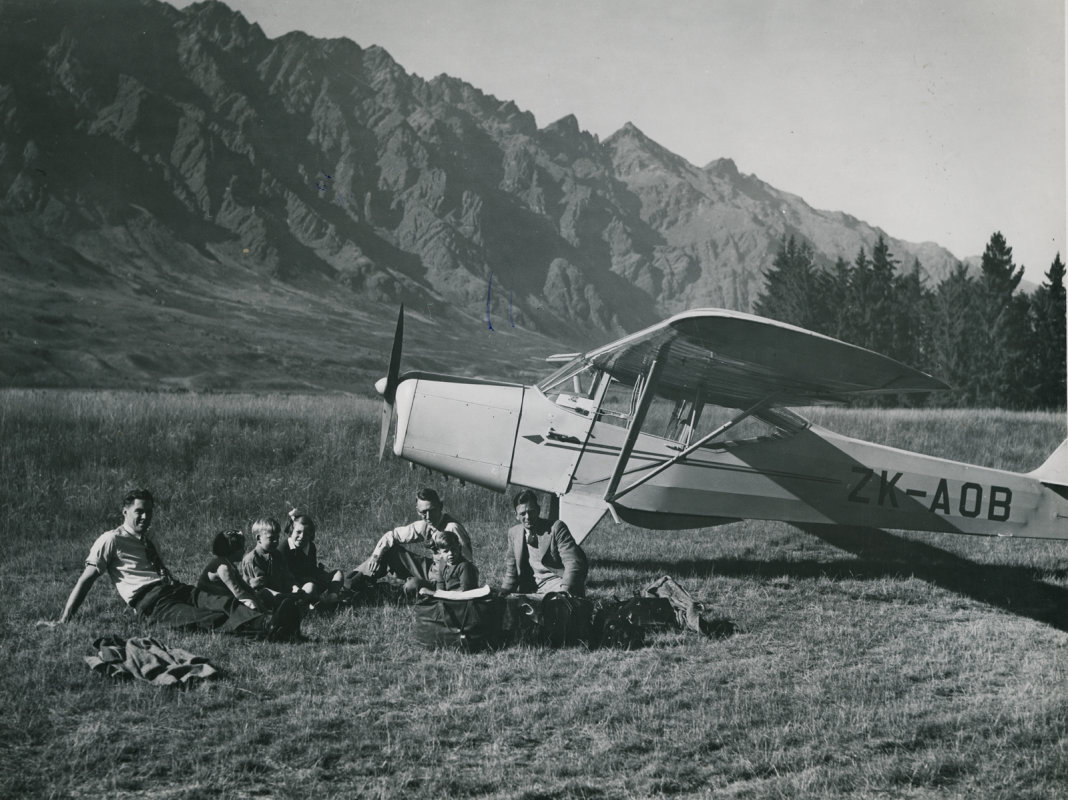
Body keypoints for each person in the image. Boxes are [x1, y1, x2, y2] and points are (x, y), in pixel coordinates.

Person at [48, 489, 300, 640]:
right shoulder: (110, 540)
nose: (145, 517)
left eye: (149, 511)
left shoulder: (148, 540)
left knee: (223, 602)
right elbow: (86, 580)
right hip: (151, 602)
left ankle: (272, 619)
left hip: (175, 588)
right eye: (139, 512)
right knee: (204, 618)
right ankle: (268, 627)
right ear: (125, 512)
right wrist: (63, 620)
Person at [351, 487, 473, 597]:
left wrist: (449, 591)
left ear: (440, 507)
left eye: (432, 510)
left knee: (412, 586)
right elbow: (393, 535)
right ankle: (348, 583)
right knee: (389, 551)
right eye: (423, 512)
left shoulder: (452, 528)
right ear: (417, 511)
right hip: (431, 569)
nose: (428, 516)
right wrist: (376, 556)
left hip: (445, 580)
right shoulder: (425, 525)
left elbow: (467, 563)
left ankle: (383, 592)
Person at [500, 489, 587, 596]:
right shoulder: (514, 533)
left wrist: (564, 591)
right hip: (531, 589)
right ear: (516, 515)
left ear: (538, 510)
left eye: (531, 511)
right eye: (523, 513)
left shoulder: (556, 528)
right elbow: (511, 571)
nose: (527, 517)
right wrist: (503, 593)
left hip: (558, 584)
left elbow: (573, 562)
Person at [278, 509, 344, 606]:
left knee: (338, 574)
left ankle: (331, 599)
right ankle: (305, 605)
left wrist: (320, 573)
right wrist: (297, 586)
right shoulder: (284, 547)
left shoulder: (310, 547)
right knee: (310, 587)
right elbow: (283, 576)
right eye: (298, 532)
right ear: (292, 530)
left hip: (309, 579)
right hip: (293, 586)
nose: (302, 537)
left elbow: (312, 569)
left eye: (306, 534)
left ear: (311, 535)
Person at [197, 529, 265, 612]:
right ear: (232, 550)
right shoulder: (223, 567)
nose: (244, 551)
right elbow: (238, 593)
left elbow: (243, 585)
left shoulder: (229, 563)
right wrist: (257, 602)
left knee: (261, 594)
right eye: (241, 548)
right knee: (250, 603)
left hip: (220, 597)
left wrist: (255, 594)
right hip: (209, 600)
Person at [240, 517, 301, 609]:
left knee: (302, 592)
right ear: (259, 538)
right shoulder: (252, 559)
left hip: (280, 592)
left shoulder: (277, 555)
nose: (276, 541)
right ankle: (285, 604)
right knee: (266, 595)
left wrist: (294, 587)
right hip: (260, 597)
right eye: (271, 538)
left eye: (277, 538)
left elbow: (286, 575)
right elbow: (257, 587)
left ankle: (291, 601)